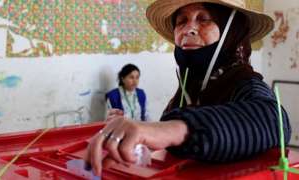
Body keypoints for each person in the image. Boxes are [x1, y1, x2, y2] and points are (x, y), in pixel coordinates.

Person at [84, 0, 292, 176]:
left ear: (231, 31)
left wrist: (172, 130)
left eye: (204, 19)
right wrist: (136, 133)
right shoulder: (188, 89)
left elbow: (274, 120)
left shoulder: (245, 83)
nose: (188, 29)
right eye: (181, 21)